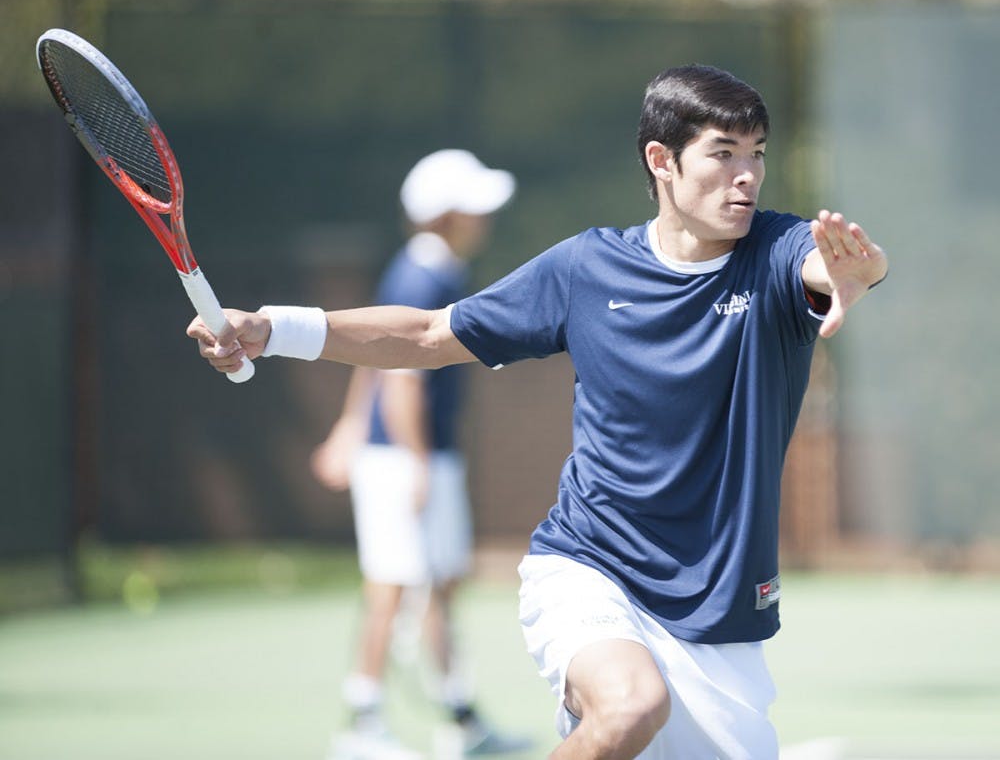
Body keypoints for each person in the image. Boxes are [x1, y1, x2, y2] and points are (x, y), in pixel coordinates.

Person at [189, 65, 889, 760]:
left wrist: (853, 273)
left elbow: (829, 267)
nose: (747, 176)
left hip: (720, 605)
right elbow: (429, 335)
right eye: (724, 152)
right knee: (630, 706)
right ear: (661, 161)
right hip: (591, 567)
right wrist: (275, 327)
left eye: (758, 153)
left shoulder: (775, 250)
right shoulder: (586, 269)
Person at [307, 149, 530, 759]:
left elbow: (373, 356)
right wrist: (414, 460)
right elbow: (400, 376)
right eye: (473, 206)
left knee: (437, 584)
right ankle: (361, 725)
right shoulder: (421, 276)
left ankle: (459, 719)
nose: (485, 217)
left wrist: (349, 427)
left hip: (417, 456)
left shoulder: (433, 271)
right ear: (447, 215)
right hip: (407, 460)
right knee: (393, 585)